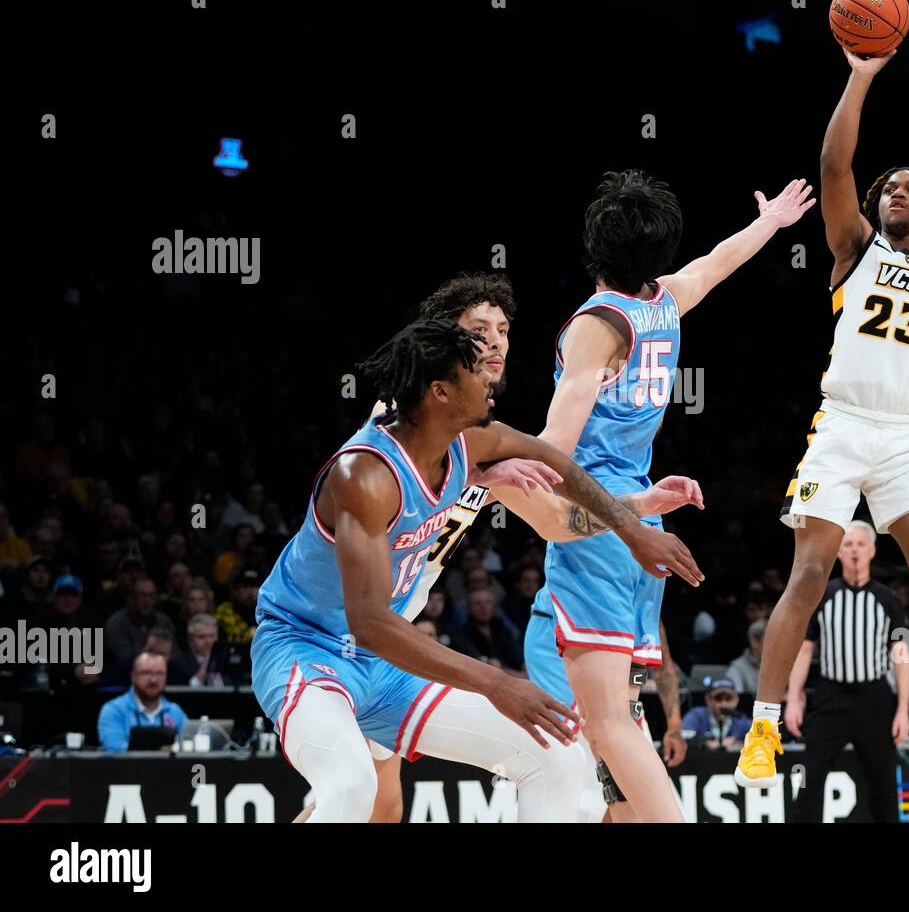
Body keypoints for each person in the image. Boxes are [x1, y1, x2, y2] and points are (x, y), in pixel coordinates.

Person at [251, 317, 698, 822]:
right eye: (473, 368)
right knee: (352, 788)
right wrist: (497, 682)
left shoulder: (469, 443)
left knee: (558, 758)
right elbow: (369, 622)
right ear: (440, 391)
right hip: (306, 648)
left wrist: (632, 528)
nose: (490, 374)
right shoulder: (365, 476)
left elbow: (556, 464)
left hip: (384, 663)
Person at [736, 32, 909, 804]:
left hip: (905, 438)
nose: (896, 191)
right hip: (841, 425)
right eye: (888, 185)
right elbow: (833, 169)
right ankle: (763, 724)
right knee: (810, 573)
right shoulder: (853, 249)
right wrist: (859, 78)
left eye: (908, 188)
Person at [529, 168, 814, 822]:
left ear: (594, 244)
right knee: (611, 716)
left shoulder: (596, 328)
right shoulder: (665, 302)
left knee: (604, 723)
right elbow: (718, 262)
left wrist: (484, 463)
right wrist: (768, 224)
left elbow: (552, 451)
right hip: (640, 514)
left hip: (601, 521)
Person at [784, 522, 909, 822]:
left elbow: (900, 653)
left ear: (872, 551)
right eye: (848, 544)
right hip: (832, 696)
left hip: (874, 696)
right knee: (810, 773)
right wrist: (792, 698)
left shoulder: (887, 599)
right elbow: (805, 649)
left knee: (882, 779)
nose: (854, 549)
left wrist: (903, 708)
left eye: (859, 544)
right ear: (838, 551)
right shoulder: (824, 595)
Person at [97, 650, 188, 751]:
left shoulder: (175, 712)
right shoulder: (114, 710)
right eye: (147, 673)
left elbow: (188, 749)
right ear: (133, 676)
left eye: (160, 673)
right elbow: (114, 750)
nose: (154, 680)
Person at [103, 576, 176, 685]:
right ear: (131, 598)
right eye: (142, 595)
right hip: (124, 682)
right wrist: (152, 650)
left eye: (151, 596)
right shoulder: (116, 623)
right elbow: (124, 660)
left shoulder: (164, 622)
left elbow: (174, 654)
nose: (147, 601)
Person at [682, 678, 750, 750]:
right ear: (708, 699)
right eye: (718, 698)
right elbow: (684, 737)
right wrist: (704, 743)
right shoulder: (696, 716)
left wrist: (738, 741)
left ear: (736, 700)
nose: (723, 704)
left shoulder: (741, 720)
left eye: (728, 699)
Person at [168, 613, 228, 687]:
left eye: (212, 636)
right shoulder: (177, 662)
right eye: (202, 637)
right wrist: (206, 665)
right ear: (190, 640)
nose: (208, 641)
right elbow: (183, 692)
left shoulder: (225, 659)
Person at [724, 619, 765, 695]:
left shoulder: (785, 666)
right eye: (771, 640)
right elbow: (737, 701)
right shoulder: (736, 669)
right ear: (754, 641)